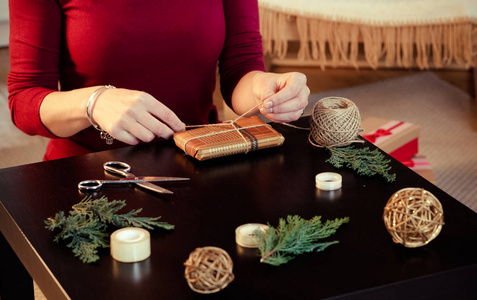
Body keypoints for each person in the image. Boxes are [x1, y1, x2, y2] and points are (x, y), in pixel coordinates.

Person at [8, 0, 310, 161]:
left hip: (200, 157)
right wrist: (93, 103)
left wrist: (264, 89)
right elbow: (23, 99)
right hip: (89, 174)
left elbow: (241, 67)